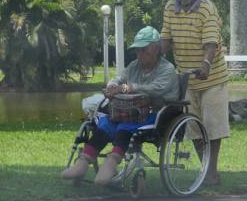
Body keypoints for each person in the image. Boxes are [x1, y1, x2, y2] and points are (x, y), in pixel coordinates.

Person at [61, 26, 179, 185]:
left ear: (157, 48)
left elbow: (156, 89)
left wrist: (127, 88)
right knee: (106, 122)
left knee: (125, 124)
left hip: (156, 114)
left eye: (143, 49)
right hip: (131, 111)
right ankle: (83, 162)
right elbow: (118, 79)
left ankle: (111, 163)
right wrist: (111, 88)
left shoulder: (167, 69)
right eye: (137, 50)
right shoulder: (135, 66)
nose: (139, 53)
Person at [160, 0, 228, 186]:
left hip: (212, 79)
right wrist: (154, 61)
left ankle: (212, 172)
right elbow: (165, 40)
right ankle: (206, 171)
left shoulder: (208, 9)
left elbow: (211, 43)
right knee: (194, 126)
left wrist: (206, 65)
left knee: (211, 126)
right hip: (186, 78)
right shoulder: (171, 7)